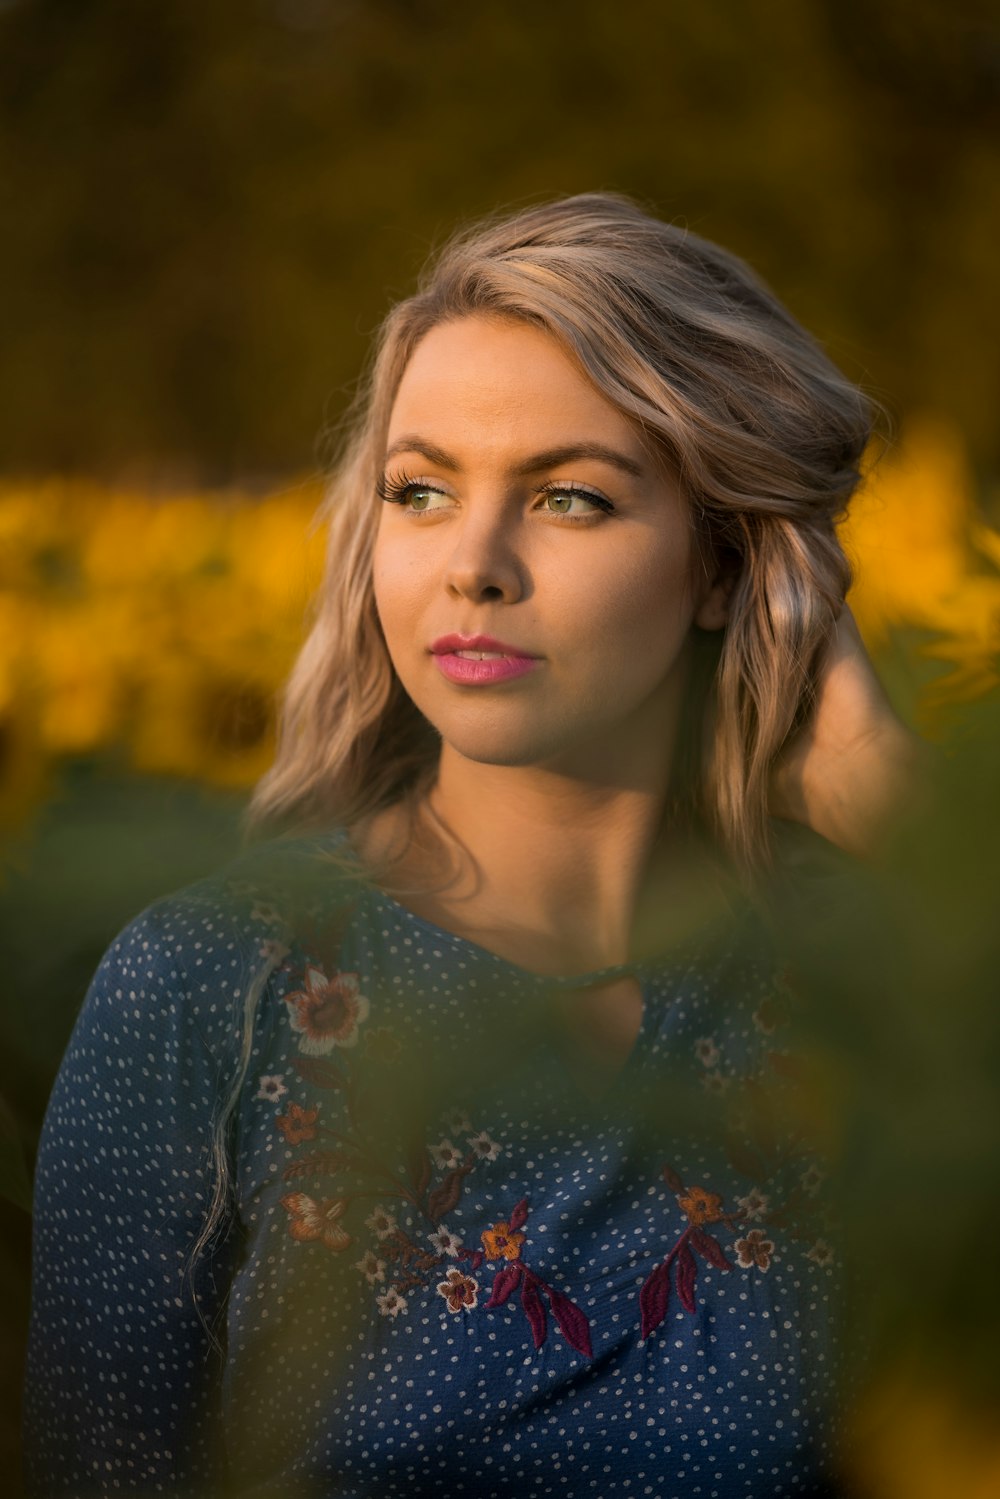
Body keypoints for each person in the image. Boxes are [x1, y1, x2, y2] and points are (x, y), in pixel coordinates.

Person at [24, 193, 919, 1497]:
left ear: (730, 564)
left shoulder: (854, 977)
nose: (475, 566)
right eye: (423, 490)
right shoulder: (215, 979)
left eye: (567, 497)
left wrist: (881, 792)